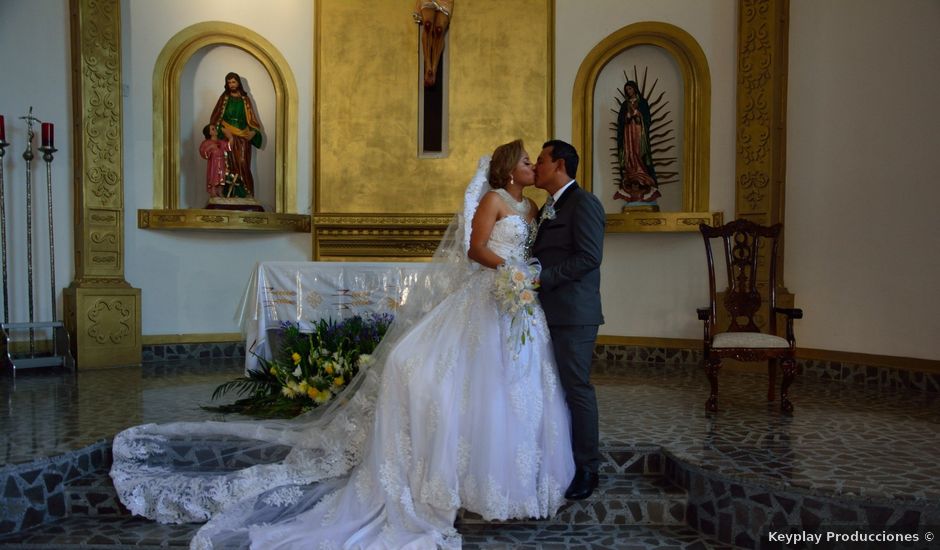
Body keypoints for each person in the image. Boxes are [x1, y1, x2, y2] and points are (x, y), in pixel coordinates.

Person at [110, 139, 574, 549]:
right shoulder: (492, 200)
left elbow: (531, 251)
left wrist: (523, 277)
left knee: (515, 387)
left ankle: (510, 484)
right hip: (489, 293)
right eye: (528, 161)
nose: (533, 166)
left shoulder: (533, 210)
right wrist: (509, 272)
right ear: (510, 169)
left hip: (517, 304)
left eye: (538, 161)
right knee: (430, 369)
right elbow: (475, 249)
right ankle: (453, 479)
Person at [532, 139, 606, 500]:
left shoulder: (584, 203)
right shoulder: (548, 207)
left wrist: (541, 278)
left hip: (574, 314)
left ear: (559, 164)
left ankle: (588, 469)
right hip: (546, 312)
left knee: (577, 389)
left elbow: (589, 257)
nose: (536, 166)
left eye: (542, 160)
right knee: (554, 390)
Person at [209, 72, 263, 198]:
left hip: (242, 137)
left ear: (238, 83)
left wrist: (254, 132)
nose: (232, 85)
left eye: (234, 82)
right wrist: (223, 131)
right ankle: (228, 194)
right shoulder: (224, 98)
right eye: (229, 82)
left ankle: (245, 193)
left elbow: (252, 120)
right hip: (226, 138)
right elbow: (215, 118)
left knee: (242, 162)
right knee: (226, 164)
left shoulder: (245, 100)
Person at [614, 81, 661, 204]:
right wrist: (627, 117)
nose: (629, 91)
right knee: (630, 153)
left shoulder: (642, 103)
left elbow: (647, 119)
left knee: (639, 153)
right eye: (627, 90)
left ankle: (642, 173)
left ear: (634, 89)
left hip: (639, 133)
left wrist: (638, 114)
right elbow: (620, 122)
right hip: (628, 134)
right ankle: (632, 172)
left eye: (630, 88)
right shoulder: (625, 104)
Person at [198, 124, 231, 199]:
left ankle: (219, 191)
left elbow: (228, 147)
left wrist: (230, 137)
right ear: (209, 133)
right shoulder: (206, 143)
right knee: (214, 177)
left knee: (221, 177)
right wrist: (210, 147)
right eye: (213, 129)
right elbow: (203, 152)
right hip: (214, 164)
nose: (215, 129)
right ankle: (213, 191)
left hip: (222, 163)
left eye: (215, 128)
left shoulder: (221, 142)